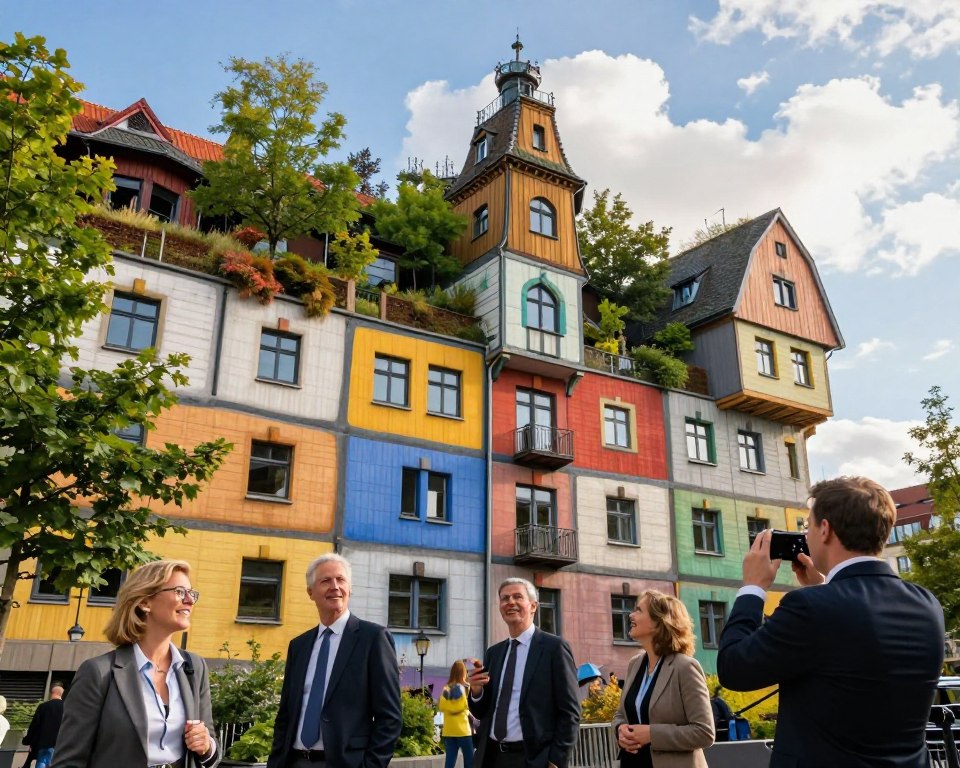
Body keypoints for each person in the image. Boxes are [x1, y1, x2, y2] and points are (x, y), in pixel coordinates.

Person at [718, 476, 945, 768]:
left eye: (807, 526)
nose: (806, 535)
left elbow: (734, 668)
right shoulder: (927, 604)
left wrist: (753, 588)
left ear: (825, 529)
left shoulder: (811, 608)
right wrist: (821, 590)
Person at [50, 560, 218, 768]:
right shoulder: (99, 673)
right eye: (179, 591)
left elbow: (210, 751)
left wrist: (206, 746)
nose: (189, 600)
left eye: (192, 593)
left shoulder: (194, 667)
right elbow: (67, 762)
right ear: (145, 602)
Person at [267, 553, 402, 768]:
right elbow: (285, 714)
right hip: (295, 761)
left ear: (350, 588)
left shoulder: (373, 639)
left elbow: (390, 718)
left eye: (341, 580)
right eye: (325, 581)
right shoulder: (299, 646)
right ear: (310, 592)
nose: (335, 586)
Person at [467, 577, 580, 768]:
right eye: (504, 598)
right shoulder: (494, 653)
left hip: (533, 759)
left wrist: (556, 760)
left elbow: (570, 712)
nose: (510, 602)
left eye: (517, 597)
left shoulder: (554, 648)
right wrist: (477, 692)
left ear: (533, 606)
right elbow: (482, 711)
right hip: (492, 757)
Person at [612, 590, 714, 768]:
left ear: (659, 622)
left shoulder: (685, 667)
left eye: (638, 610)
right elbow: (621, 714)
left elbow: (704, 732)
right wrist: (619, 729)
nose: (631, 615)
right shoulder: (634, 664)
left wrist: (652, 734)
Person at [439, 660, 475, 768]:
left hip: (449, 731)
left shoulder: (446, 688)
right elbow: (466, 706)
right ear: (463, 672)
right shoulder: (466, 687)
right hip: (463, 730)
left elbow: (442, 707)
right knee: (470, 762)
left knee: (449, 763)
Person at [22, 684, 64, 768]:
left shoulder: (43, 707)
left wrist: (28, 741)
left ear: (51, 693)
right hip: (59, 745)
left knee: (41, 762)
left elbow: (34, 725)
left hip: (43, 744)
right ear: (61, 694)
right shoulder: (67, 707)